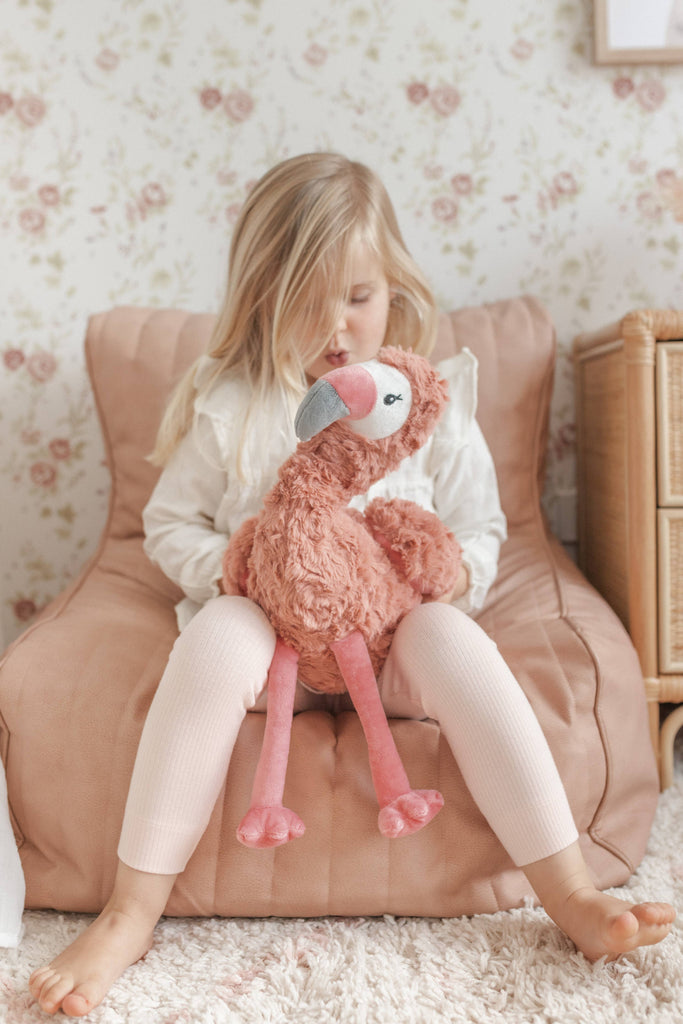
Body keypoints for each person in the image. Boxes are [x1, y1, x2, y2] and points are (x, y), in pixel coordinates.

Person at [29, 152, 675, 1017]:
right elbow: (168, 525)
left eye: (356, 297)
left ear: (392, 292)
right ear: (262, 298)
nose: (335, 325)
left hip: (391, 647)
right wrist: (242, 571)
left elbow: (484, 531)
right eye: (305, 299)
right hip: (274, 647)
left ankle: (567, 890)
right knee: (220, 629)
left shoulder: (424, 400)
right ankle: (130, 907)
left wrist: (432, 577)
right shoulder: (232, 400)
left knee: (446, 635)